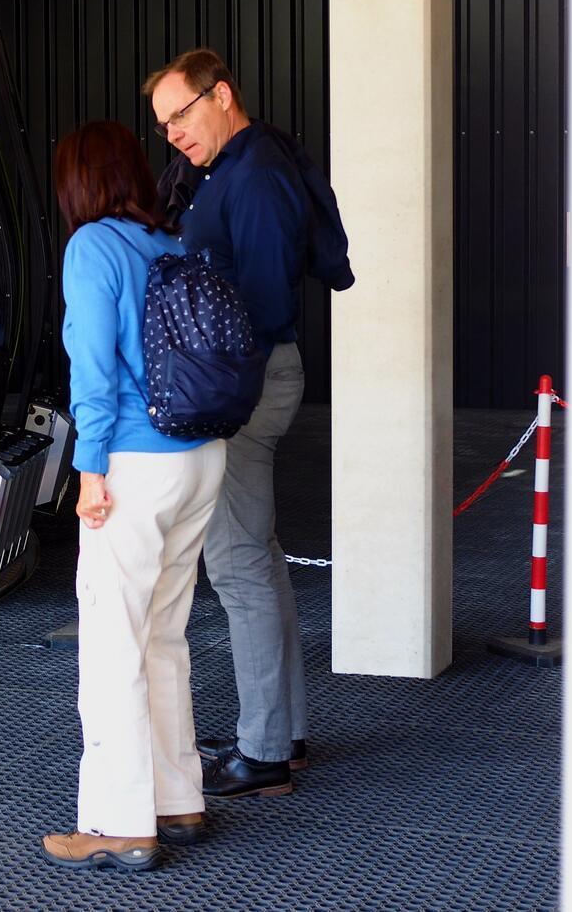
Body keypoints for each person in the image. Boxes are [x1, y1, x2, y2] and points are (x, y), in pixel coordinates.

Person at [145, 47, 349, 800]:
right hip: (253, 379)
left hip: (248, 384)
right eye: (162, 123)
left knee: (235, 563)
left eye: (181, 114)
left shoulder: (254, 174)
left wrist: (218, 402)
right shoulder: (232, 168)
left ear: (220, 93)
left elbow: (261, 307)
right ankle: (282, 734)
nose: (171, 133)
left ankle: (263, 750)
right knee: (255, 556)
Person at [41, 121, 228, 873]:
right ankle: (179, 798)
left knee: (113, 644)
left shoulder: (92, 248)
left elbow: (92, 371)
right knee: (163, 635)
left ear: (77, 183)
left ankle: (119, 822)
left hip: (134, 465)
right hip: (200, 455)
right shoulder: (170, 244)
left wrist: (88, 473)